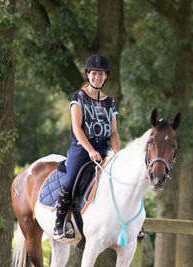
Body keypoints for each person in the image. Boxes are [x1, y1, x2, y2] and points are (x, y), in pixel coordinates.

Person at [53, 54, 120, 239]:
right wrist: (90, 150)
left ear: (106, 76)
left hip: (104, 147)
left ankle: (130, 224)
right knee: (71, 179)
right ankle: (59, 223)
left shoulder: (110, 102)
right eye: (94, 73)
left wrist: (118, 154)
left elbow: (113, 133)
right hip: (81, 147)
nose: (97, 77)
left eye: (101, 74)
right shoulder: (79, 97)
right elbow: (76, 127)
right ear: (88, 74)